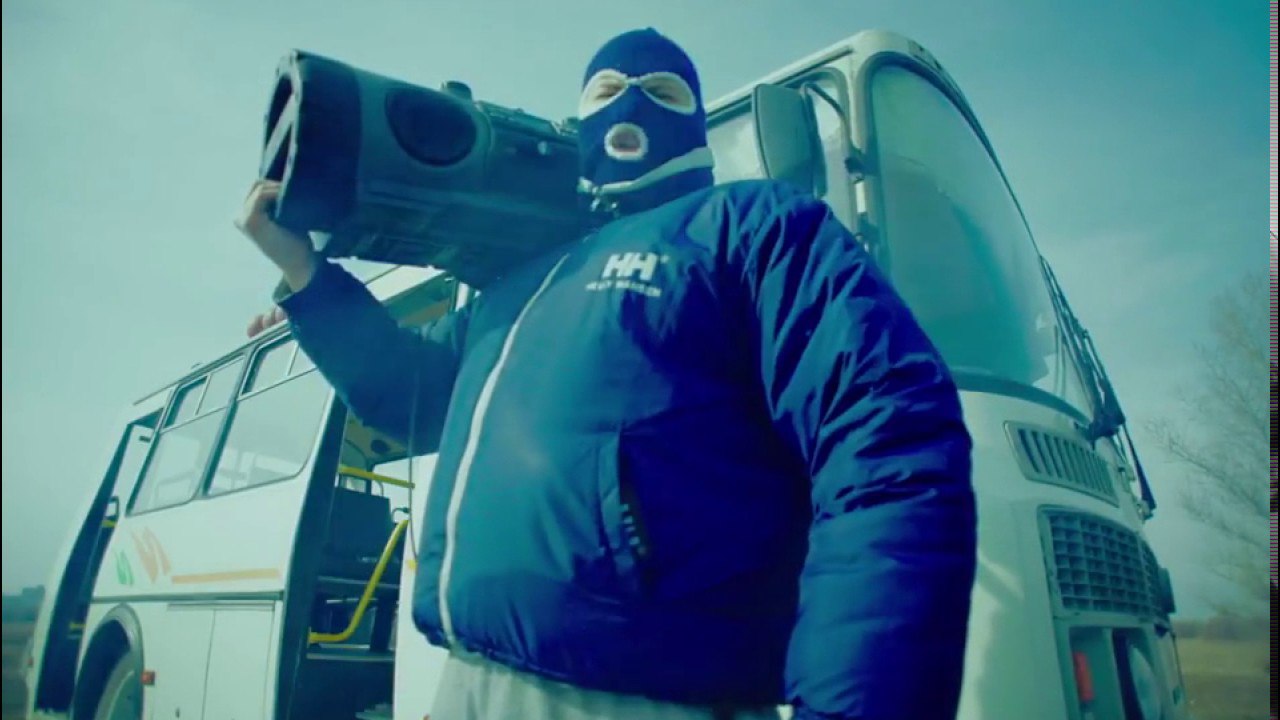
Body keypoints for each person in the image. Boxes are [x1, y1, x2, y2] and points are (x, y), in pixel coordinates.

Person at [236, 28, 977, 720]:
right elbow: (410, 395)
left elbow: (888, 446)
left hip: (643, 696)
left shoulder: (756, 225)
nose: (632, 103)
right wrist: (306, 274)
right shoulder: (521, 279)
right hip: (465, 680)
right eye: (608, 89)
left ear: (695, 124)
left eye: (662, 92)